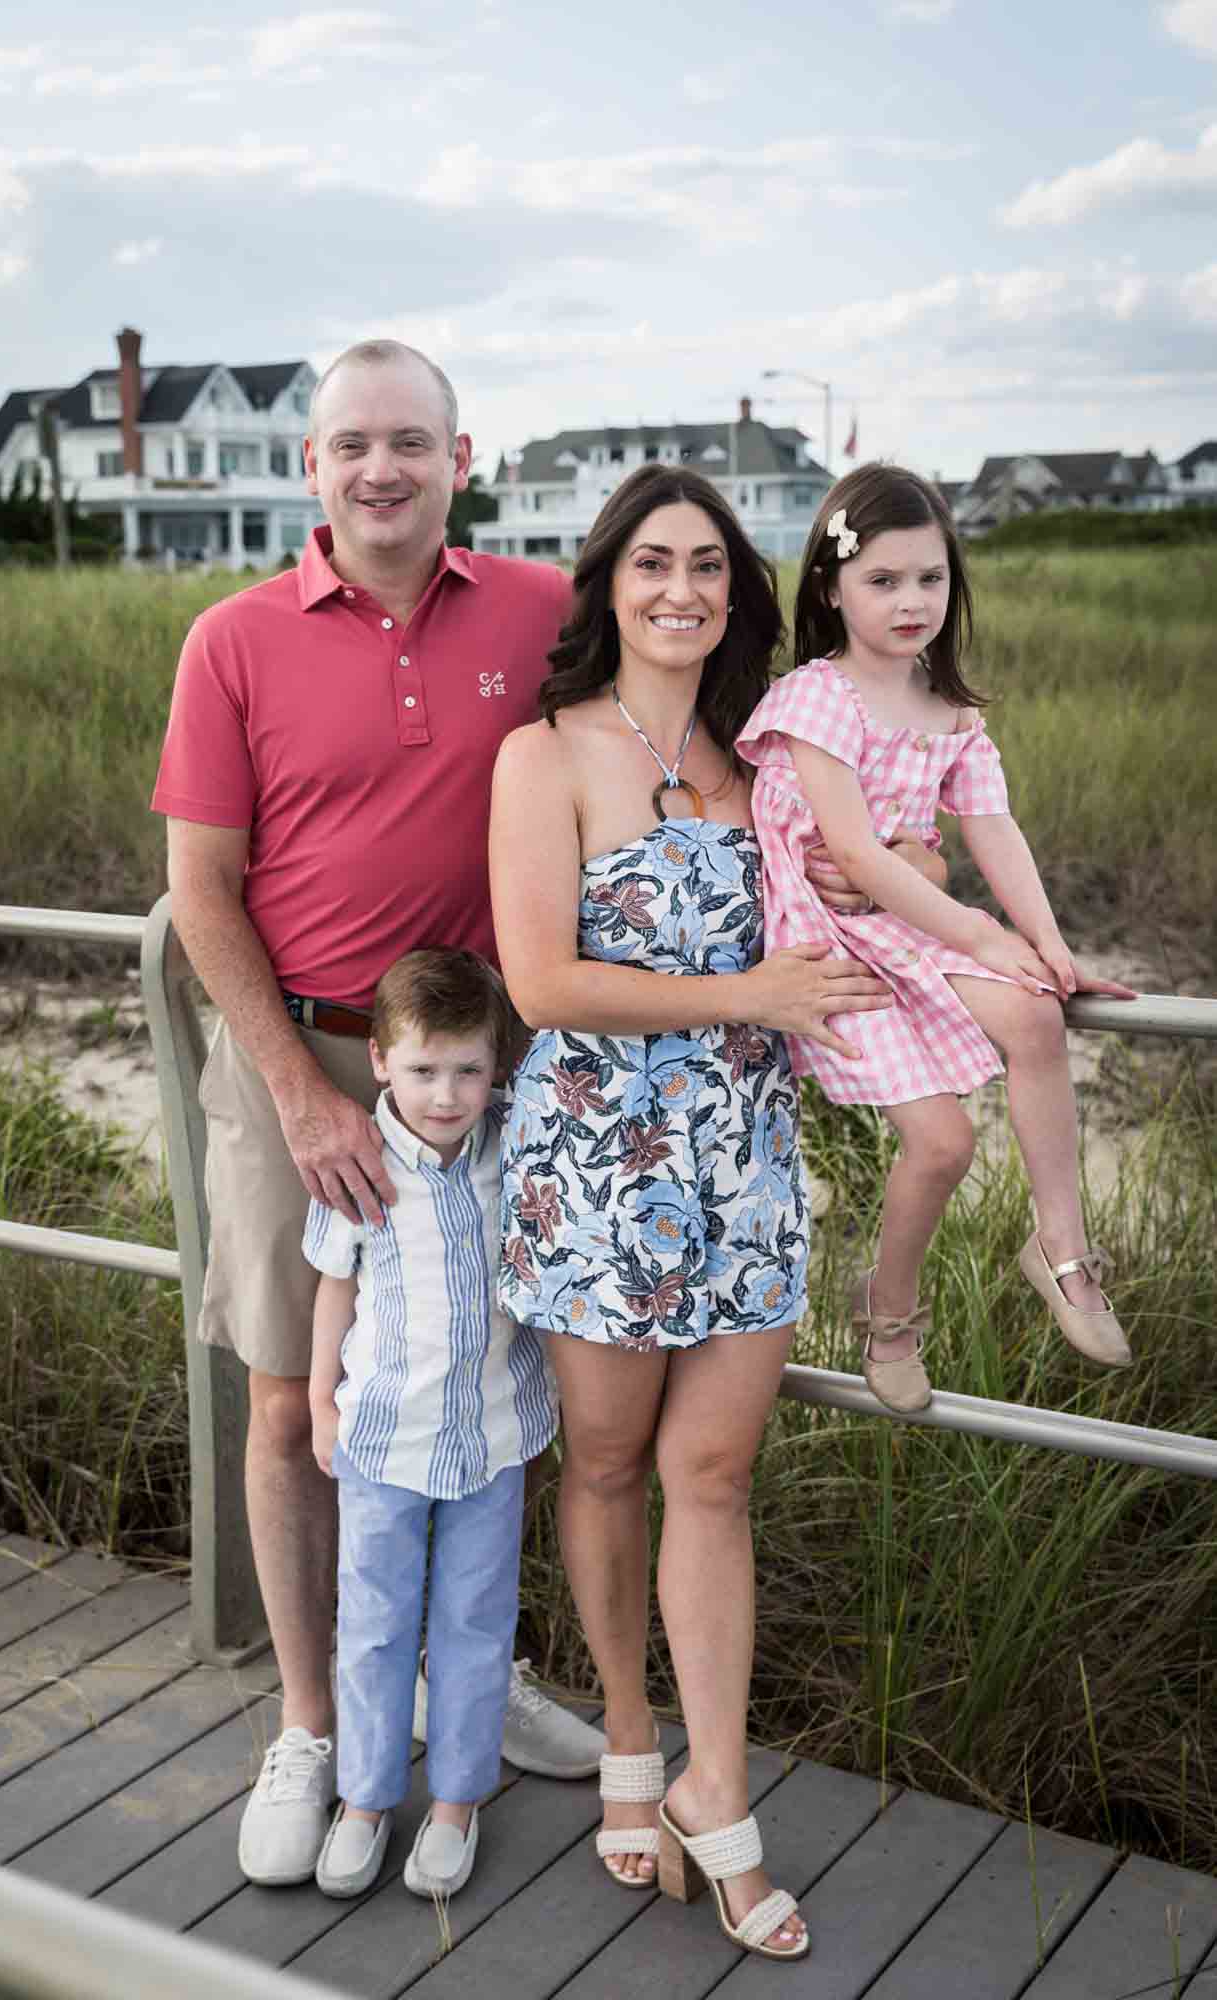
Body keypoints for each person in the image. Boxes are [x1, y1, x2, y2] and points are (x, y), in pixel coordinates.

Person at [151, 338, 606, 1889]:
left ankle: (478, 1683)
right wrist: (297, 1092)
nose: (381, 470)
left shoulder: (543, 618)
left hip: (496, 1075)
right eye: (354, 444)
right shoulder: (232, 639)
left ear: (459, 456)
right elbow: (198, 896)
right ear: (314, 467)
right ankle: (312, 1728)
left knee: (491, 1384)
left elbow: (698, 671)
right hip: (313, 1068)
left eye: (410, 441)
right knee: (297, 1403)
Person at [490, 464, 951, 1964]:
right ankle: (630, 1735)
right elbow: (543, 984)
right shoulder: (543, 756)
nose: (681, 589)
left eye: (708, 567)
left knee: (715, 1476)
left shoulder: (774, 754)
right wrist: (744, 990)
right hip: (599, 1174)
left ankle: (716, 1789)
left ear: (740, 595)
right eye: (652, 564)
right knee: (610, 1463)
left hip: (746, 1170)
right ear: (608, 583)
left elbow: (864, 895)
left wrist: (949, 923)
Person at [736, 462, 1137, 1415]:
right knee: (944, 1142)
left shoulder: (947, 703)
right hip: (830, 937)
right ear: (832, 588)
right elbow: (854, 855)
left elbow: (993, 827)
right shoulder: (817, 697)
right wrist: (978, 935)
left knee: (1038, 1014)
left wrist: (1044, 944)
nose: (911, 601)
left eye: (929, 578)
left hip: (908, 924)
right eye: (882, 581)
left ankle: (1060, 1247)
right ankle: (888, 1309)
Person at [305, 949, 556, 1900]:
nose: (444, 1094)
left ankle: (455, 1799)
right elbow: (334, 1289)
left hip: (492, 1431)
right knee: (371, 1621)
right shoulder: (360, 1165)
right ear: (378, 1061)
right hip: (380, 1433)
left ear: (498, 1067)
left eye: (466, 1069)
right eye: (421, 1070)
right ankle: (365, 1800)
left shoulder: (518, 1147)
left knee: (475, 1616)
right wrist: (321, 1400)